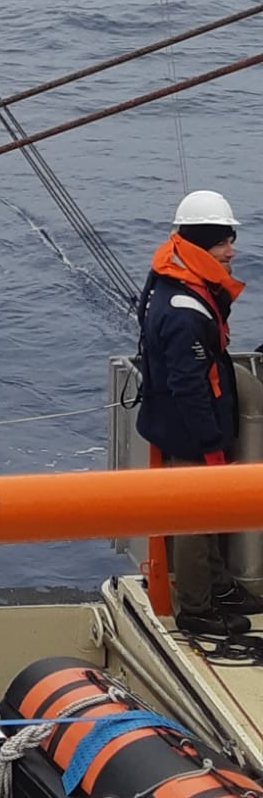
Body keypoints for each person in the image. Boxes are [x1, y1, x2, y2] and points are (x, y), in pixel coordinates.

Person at [136, 189, 263, 637]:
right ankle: (197, 611)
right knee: (195, 518)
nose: (231, 252)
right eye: (223, 243)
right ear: (201, 244)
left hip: (183, 424)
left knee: (208, 513)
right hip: (191, 433)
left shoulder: (172, 279)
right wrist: (210, 443)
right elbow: (189, 385)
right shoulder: (185, 311)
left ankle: (218, 584)